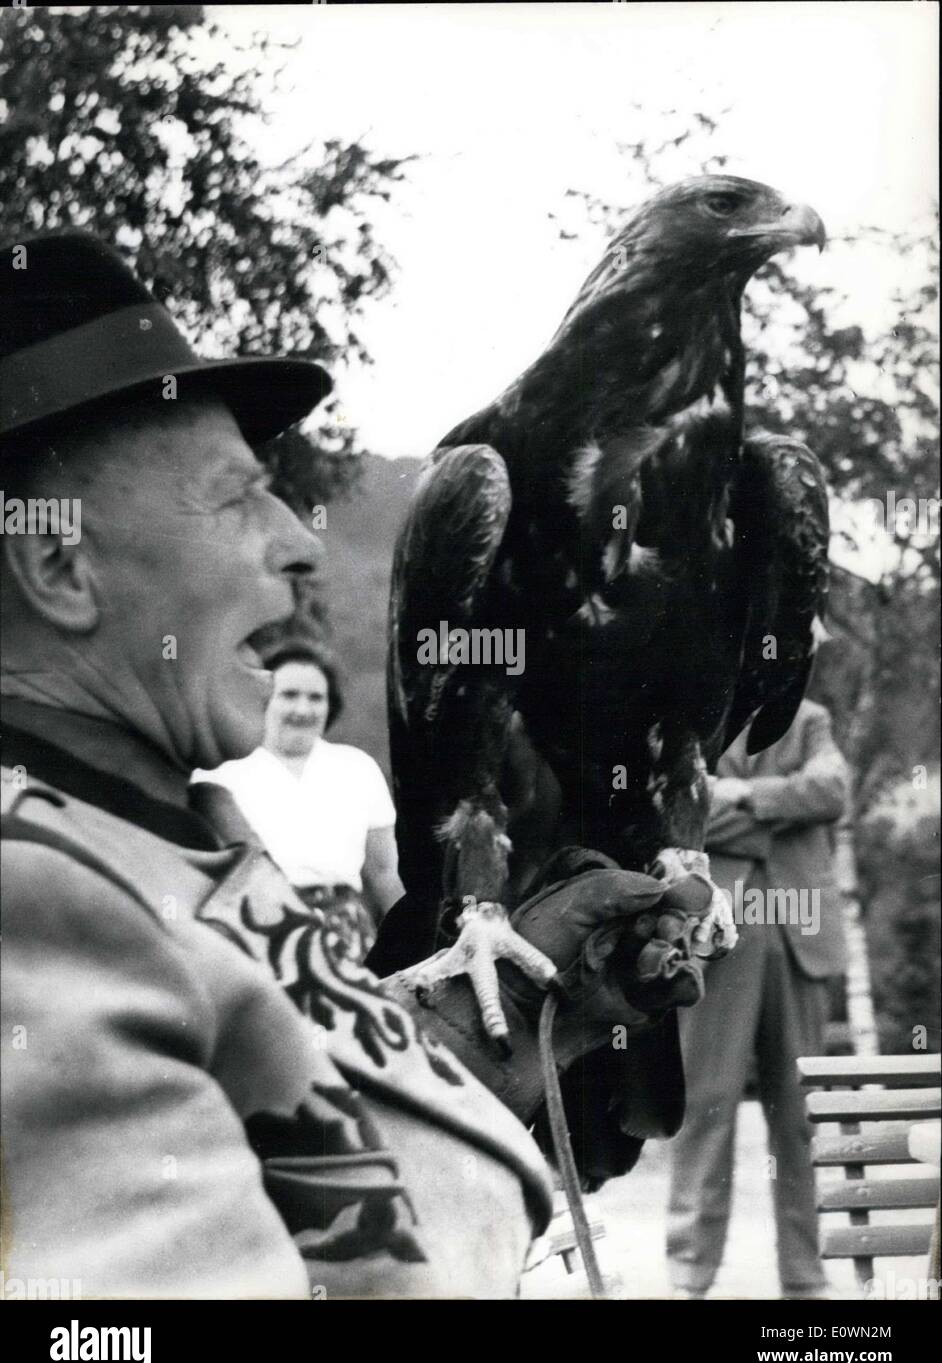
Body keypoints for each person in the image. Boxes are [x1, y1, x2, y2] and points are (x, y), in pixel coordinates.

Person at [1, 231, 712, 1299]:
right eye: (235, 496)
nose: (299, 539)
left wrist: (531, 1017)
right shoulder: (37, 910)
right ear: (61, 565)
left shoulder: (154, 834)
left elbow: (307, 1138)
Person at [666, 697, 850, 1299]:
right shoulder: (701, 719)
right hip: (718, 936)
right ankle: (689, 1273)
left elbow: (832, 793)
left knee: (801, 1115)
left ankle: (806, 1275)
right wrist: (783, 809)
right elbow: (682, 820)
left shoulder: (810, 718)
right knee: (705, 1105)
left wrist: (741, 796)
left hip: (801, 937)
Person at [194, 645, 403, 962]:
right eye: (289, 695)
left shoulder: (357, 767)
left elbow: (386, 872)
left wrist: (412, 943)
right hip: (255, 934)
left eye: (316, 697)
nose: (303, 709)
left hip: (348, 938)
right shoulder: (222, 771)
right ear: (264, 698)